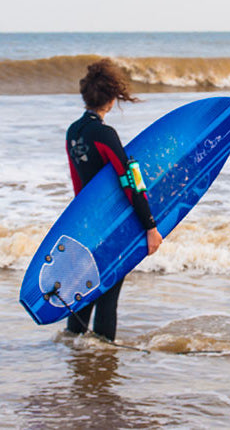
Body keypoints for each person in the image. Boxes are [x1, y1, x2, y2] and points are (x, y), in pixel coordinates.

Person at [64, 58, 163, 341]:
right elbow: (130, 182)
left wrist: (80, 222)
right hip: (112, 225)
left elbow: (77, 182)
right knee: (109, 290)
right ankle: (104, 355)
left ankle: (75, 346)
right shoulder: (104, 134)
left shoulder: (74, 132)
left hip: (86, 223)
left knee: (86, 288)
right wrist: (150, 226)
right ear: (111, 98)